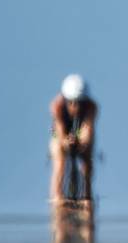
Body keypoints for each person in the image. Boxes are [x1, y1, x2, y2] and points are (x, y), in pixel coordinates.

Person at [50, 74, 98, 203]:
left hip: (79, 130)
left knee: (88, 159)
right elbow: (59, 130)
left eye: (78, 103)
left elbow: (88, 129)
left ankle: (87, 197)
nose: (75, 106)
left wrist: (82, 143)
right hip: (58, 132)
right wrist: (65, 141)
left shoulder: (92, 107)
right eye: (71, 102)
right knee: (59, 159)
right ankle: (57, 197)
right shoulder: (57, 106)